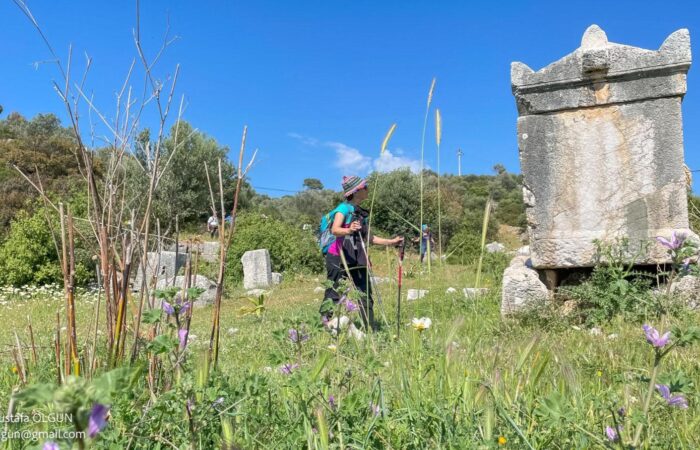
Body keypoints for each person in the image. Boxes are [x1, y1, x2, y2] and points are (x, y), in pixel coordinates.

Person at [321, 175, 403, 331]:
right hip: (338, 257)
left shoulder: (360, 213)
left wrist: (391, 242)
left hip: (357, 257)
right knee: (334, 290)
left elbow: (369, 237)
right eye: (365, 187)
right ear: (357, 191)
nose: (367, 189)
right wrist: (349, 229)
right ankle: (325, 325)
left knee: (365, 292)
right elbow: (335, 230)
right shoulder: (343, 208)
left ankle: (370, 328)